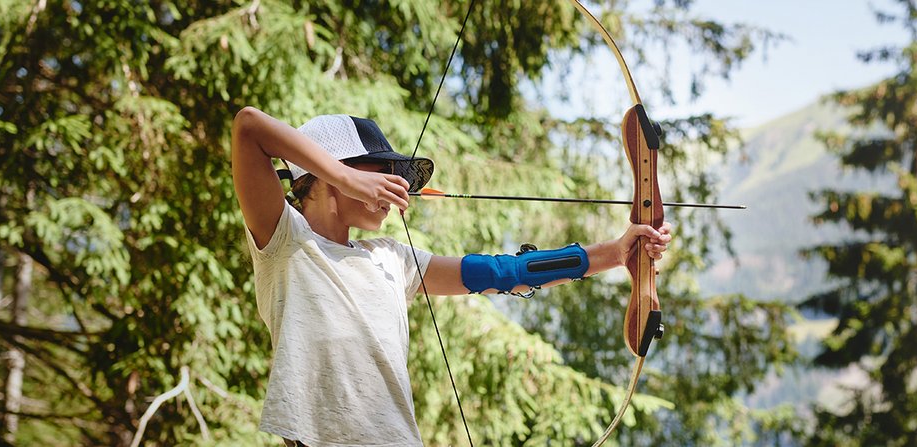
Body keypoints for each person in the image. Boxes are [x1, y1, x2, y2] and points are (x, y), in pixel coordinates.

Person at [230, 107, 673, 446]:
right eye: (381, 170)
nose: (395, 184)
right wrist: (346, 176)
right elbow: (249, 127)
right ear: (330, 172)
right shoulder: (286, 240)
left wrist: (615, 254)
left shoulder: (391, 258)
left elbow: (504, 272)